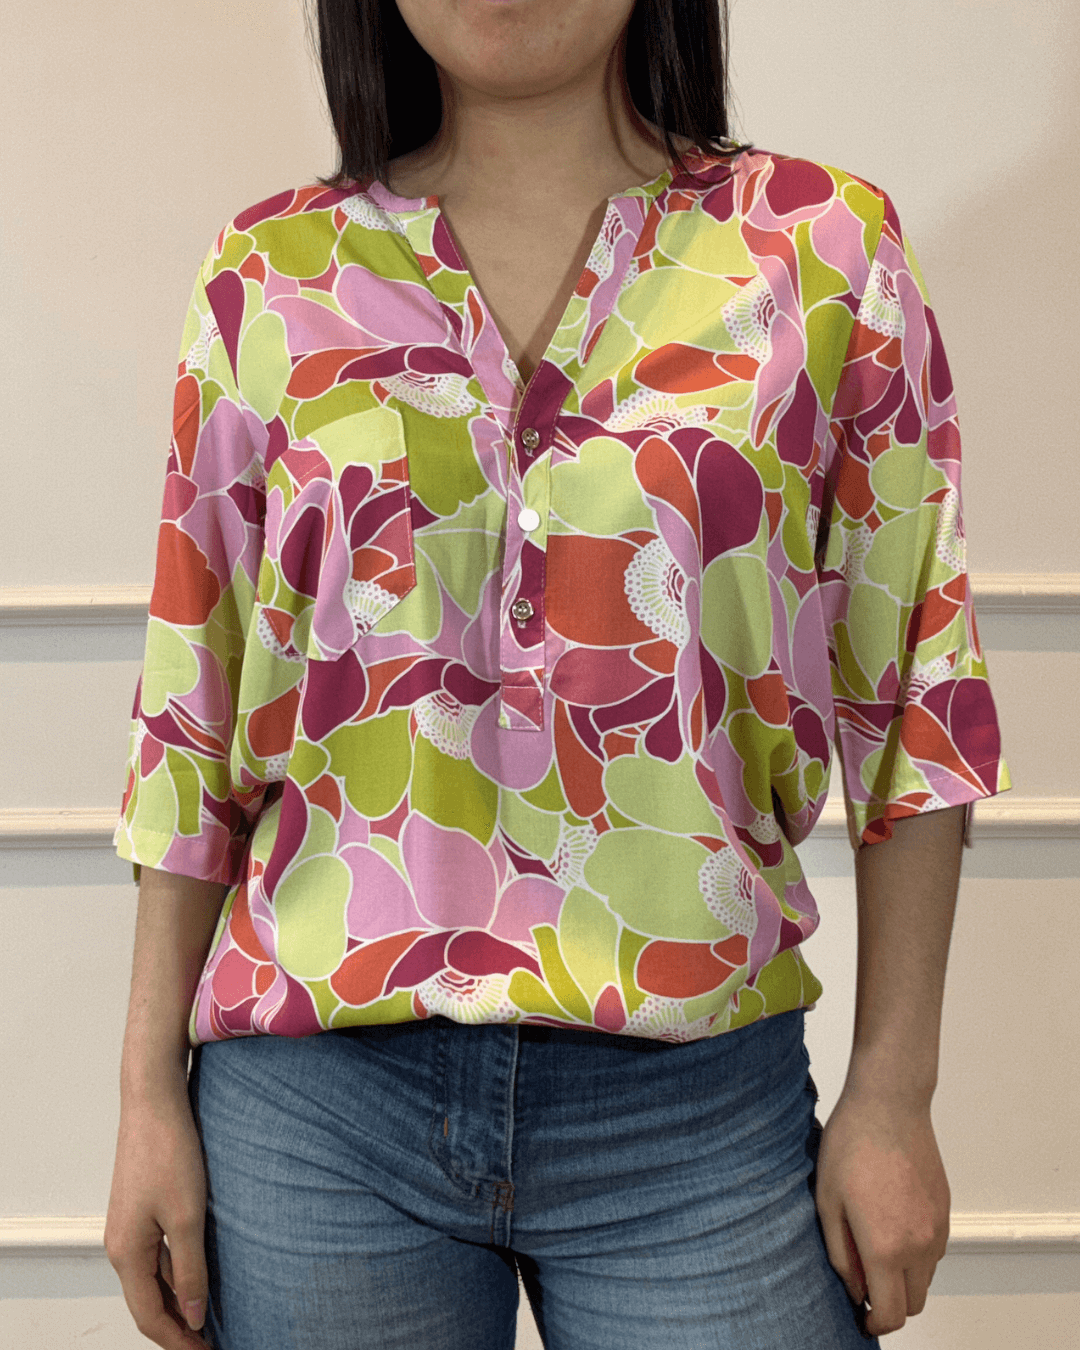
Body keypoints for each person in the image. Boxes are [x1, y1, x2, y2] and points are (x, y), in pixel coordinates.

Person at [103, 0, 1010, 1346]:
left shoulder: (822, 252)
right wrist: (143, 1095)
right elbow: (192, 712)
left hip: (698, 1102)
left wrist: (894, 1091)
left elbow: (920, 698)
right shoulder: (270, 272)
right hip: (316, 1107)